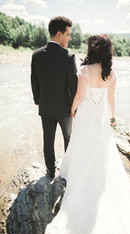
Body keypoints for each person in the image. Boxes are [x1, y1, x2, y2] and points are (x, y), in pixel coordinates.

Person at [42, 34, 130, 234]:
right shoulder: (111, 73)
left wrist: (73, 110)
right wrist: (113, 118)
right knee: (100, 148)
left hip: (85, 113)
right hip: (101, 115)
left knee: (82, 144)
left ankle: (78, 173)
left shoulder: (84, 70)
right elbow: (111, 100)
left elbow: (78, 96)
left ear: (92, 49)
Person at [31, 16, 78, 178]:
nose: (69, 38)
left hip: (45, 107)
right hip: (65, 110)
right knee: (68, 139)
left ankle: (50, 170)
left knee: (48, 140)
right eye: (67, 34)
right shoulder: (68, 57)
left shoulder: (36, 55)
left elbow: (34, 81)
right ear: (59, 34)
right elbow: (74, 86)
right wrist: (74, 107)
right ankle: (68, 171)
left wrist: (38, 101)